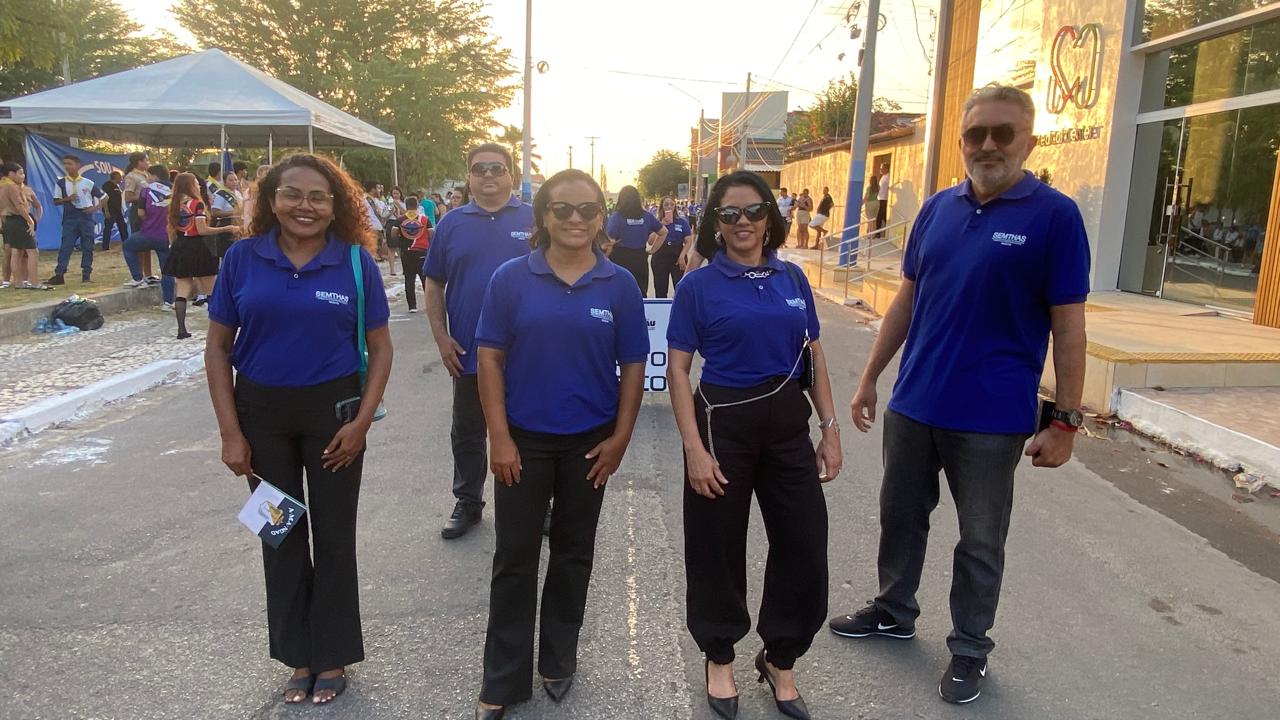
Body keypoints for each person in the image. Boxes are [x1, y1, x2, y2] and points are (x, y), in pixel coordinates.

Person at [828, 85, 1090, 706]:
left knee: (980, 539)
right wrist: (870, 378)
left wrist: (1065, 422)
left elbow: (1069, 326)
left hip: (992, 418)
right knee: (900, 516)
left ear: (1029, 141)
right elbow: (907, 299)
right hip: (915, 402)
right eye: (976, 134)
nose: (988, 145)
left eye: (1003, 133)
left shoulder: (1054, 217)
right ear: (962, 141)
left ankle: (970, 647)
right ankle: (894, 609)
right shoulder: (937, 209)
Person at [205, 152, 392, 707]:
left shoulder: (354, 262)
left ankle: (332, 654)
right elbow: (217, 349)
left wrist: (361, 424)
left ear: (336, 206)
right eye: (292, 194)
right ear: (271, 200)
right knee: (280, 534)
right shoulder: (242, 258)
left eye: (318, 197)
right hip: (260, 418)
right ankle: (298, 656)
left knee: (333, 536)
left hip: (333, 416)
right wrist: (230, 433)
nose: (304, 206)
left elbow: (381, 349)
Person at [472, 168, 647, 719]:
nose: (575, 219)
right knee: (515, 558)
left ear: (602, 218)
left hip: (589, 446)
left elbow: (634, 365)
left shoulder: (619, 284)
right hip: (522, 442)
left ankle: (558, 657)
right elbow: (489, 359)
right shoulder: (510, 278)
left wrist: (620, 438)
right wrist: (499, 438)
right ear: (543, 216)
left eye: (588, 210)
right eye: (563, 209)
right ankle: (502, 677)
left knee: (573, 553)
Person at [667, 170, 842, 720]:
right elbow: (678, 369)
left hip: (788, 425)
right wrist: (694, 449)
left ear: (771, 216)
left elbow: (813, 357)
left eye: (753, 211)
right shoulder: (698, 286)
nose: (742, 222)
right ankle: (719, 654)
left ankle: (780, 657)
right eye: (729, 214)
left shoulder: (793, 278)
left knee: (804, 542)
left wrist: (829, 430)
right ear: (715, 224)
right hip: (723, 425)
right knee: (716, 545)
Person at [424, 143, 534, 539]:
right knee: (468, 431)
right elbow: (433, 282)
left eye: (497, 168)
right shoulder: (451, 224)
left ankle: (534, 503)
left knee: (528, 430)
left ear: (511, 174)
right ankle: (468, 502)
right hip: (468, 351)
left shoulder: (534, 219)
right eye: (479, 168)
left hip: (528, 353)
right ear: (469, 176)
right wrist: (441, 337)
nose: (488, 175)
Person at [166, 172, 241, 339]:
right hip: (198, 247)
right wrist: (227, 228)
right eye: (195, 182)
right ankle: (217, 329)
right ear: (190, 185)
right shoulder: (197, 204)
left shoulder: (175, 204)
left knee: (182, 290)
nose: (199, 185)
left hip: (180, 246)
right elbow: (202, 230)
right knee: (211, 290)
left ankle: (181, 330)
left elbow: (171, 230)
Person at [121, 164, 177, 307]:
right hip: (166, 236)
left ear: (155, 176)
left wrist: (150, 220)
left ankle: (137, 277)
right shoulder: (174, 191)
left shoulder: (146, 190)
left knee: (127, 246)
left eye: (149, 176)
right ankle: (168, 302)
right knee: (167, 270)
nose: (148, 178)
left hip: (148, 232)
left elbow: (140, 213)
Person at [48, 154, 102, 285]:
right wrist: (68, 199)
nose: (67, 166)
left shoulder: (87, 182)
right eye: (65, 164)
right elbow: (56, 201)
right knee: (66, 246)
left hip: (86, 216)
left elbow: (103, 197)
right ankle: (60, 274)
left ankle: (86, 274)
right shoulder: (61, 183)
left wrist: (94, 208)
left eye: (70, 164)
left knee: (88, 246)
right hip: (70, 217)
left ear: (78, 165)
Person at [605, 185, 665, 296]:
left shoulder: (617, 217)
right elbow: (664, 232)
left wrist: (604, 259)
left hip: (620, 258)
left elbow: (609, 241)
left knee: (618, 292)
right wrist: (652, 250)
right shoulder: (647, 216)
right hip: (640, 258)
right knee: (640, 292)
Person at [0, 162, 46, 290]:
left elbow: (37, 205)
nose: (23, 176)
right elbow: (19, 206)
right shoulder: (12, 187)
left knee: (17, 252)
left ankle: (18, 282)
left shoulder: (3, 186)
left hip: (9, 221)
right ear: (11, 174)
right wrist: (30, 221)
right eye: (20, 173)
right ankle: (34, 282)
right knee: (32, 251)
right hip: (19, 220)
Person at [121, 151, 156, 282]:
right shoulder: (132, 176)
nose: (148, 163)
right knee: (139, 243)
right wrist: (145, 196)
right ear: (139, 162)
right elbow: (128, 197)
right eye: (146, 160)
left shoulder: (148, 175)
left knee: (148, 243)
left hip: (149, 210)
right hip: (137, 211)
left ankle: (148, 274)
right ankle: (139, 275)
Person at [649, 195, 692, 299]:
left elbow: (688, 241)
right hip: (660, 255)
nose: (669, 207)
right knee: (660, 288)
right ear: (662, 207)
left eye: (672, 204)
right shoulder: (656, 222)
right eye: (666, 204)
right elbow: (650, 241)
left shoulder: (682, 222)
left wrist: (682, 256)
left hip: (677, 254)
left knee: (680, 287)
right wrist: (661, 225)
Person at [396, 193, 431, 313]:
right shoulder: (424, 219)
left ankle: (412, 306)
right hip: (422, 251)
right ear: (417, 205)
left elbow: (393, 233)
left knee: (409, 279)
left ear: (406, 206)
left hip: (406, 252)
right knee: (425, 279)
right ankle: (429, 304)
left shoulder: (400, 219)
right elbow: (432, 233)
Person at [206, 162, 241, 259]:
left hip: (239, 224)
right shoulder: (220, 194)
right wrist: (233, 213)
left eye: (235, 179)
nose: (234, 182)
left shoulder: (238, 193)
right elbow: (215, 212)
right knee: (227, 254)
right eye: (231, 180)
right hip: (226, 225)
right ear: (224, 182)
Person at [100, 170, 127, 251]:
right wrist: (106, 211)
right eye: (120, 177)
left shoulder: (117, 186)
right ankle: (105, 246)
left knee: (123, 226)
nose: (121, 179)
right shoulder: (107, 185)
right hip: (110, 210)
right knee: (108, 227)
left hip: (118, 211)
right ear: (116, 177)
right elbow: (104, 198)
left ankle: (126, 244)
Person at [875, 162, 890, 231]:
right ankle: (879, 231)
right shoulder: (883, 177)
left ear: (886, 169)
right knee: (882, 216)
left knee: (880, 216)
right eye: (880, 168)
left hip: (884, 199)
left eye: (882, 168)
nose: (880, 170)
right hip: (880, 198)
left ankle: (878, 232)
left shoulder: (888, 177)